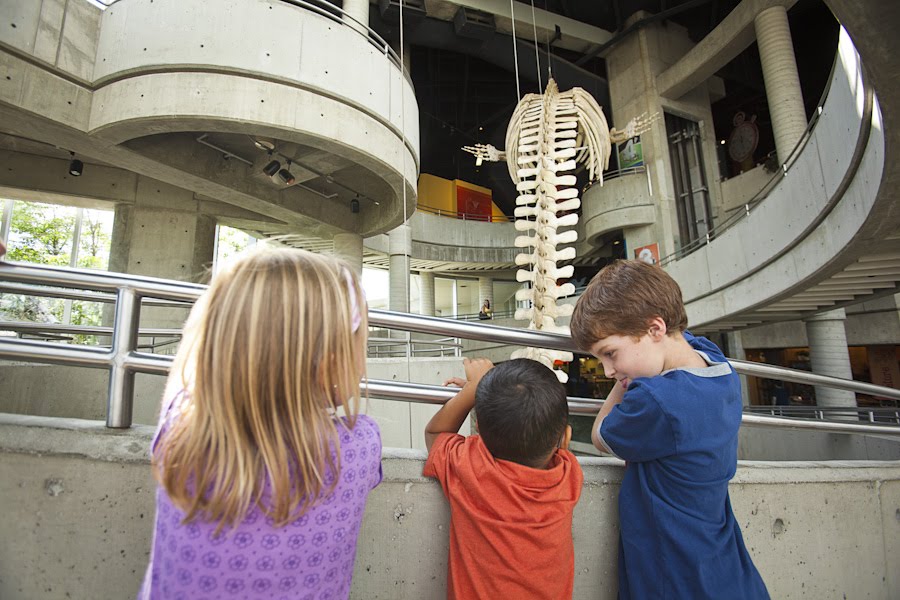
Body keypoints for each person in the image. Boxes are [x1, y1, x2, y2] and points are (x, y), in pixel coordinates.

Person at [138, 248, 382, 600]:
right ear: (327, 364)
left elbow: (185, 369)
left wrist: (224, 313)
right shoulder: (358, 446)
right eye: (361, 346)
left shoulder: (179, 435)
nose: (362, 364)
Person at [570, 260, 769, 600]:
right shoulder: (718, 365)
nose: (606, 371)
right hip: (722, 561)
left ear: (656, 329)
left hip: (673, 573)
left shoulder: (656, 402)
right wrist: (632, 362)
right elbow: (685, 341)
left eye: (610, 354)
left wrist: (628, 380)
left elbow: (600, 433)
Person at [423, 357, 583, 600]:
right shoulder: (568, 477)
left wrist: (472, 389)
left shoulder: (470, 468)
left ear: (478, 430)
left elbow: (435, 433)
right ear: (566, 438)